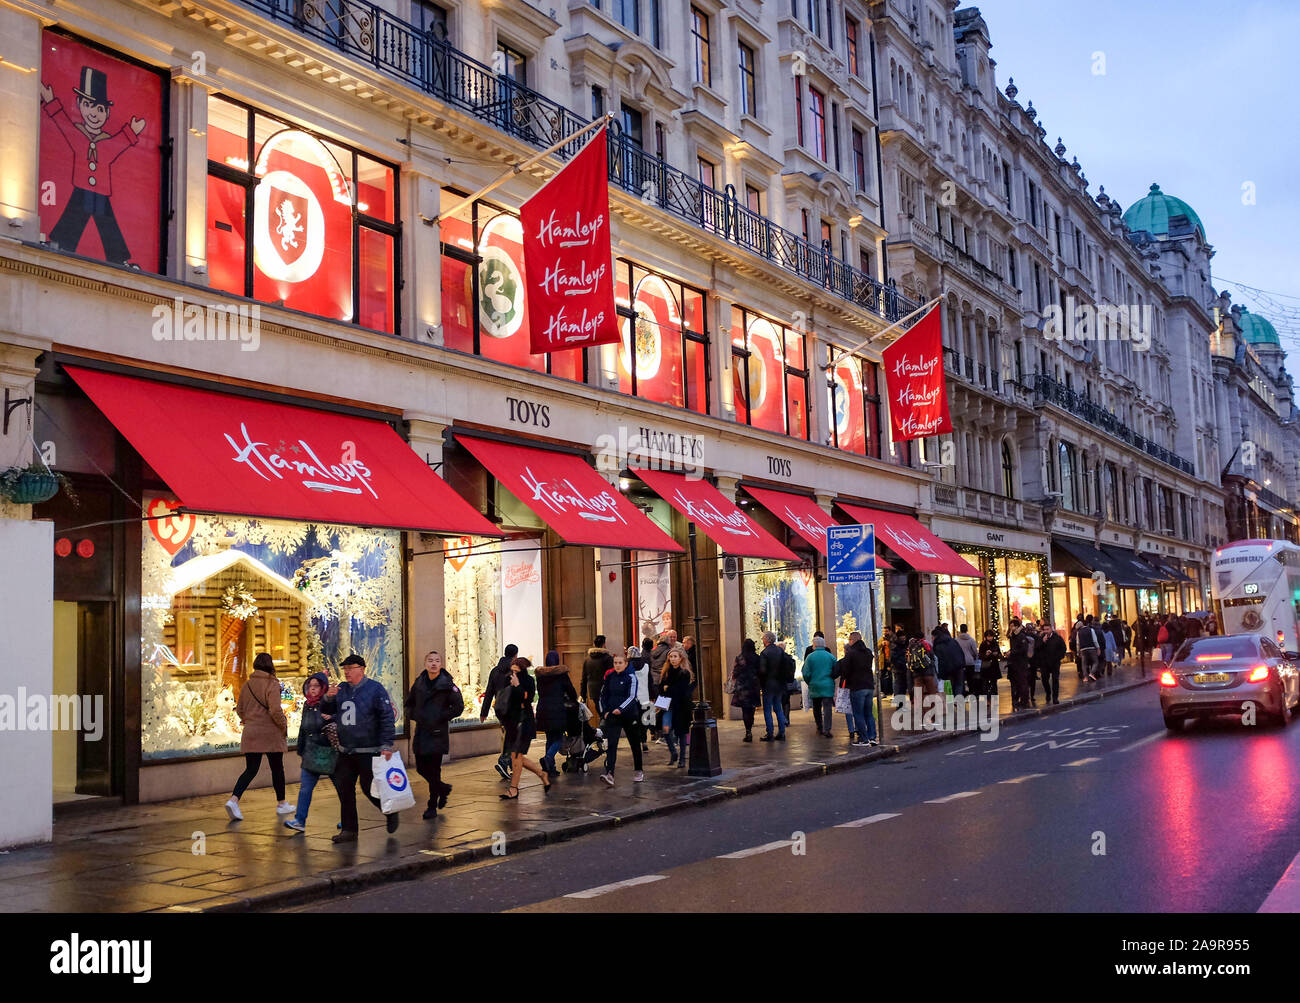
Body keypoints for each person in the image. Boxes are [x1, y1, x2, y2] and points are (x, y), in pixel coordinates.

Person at [322, 654, 399, 842]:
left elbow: (386, 717)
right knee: (344, 788)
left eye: (351, 668)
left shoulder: (375, 689)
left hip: (368, 749)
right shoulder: (341, 690)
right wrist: (327, 698)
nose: (347, 672)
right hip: (346, 750)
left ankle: (388, 811)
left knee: (368, 788)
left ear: (362, 669)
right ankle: (349, 830)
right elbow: (327, 712)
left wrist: (386, 744)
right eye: (345, 669)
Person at [225, 652, 292, 822]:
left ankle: (234, 800)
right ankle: (282, 803)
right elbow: (276, 710)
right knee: (277, 768)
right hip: (270, 733)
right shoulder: (272, 684)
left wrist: (251, 721)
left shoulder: (247, 685)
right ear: (271, 666)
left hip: (251, 732)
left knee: (251, 769)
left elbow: (239, 709)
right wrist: (283, 726)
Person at [406, 651, 462, 820]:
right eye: (430, 660)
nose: (433, 664)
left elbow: (458, 706)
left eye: (437, 661)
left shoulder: (447, 684)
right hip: (422, 731)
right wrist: (415, 715)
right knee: (421, 767)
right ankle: (443, 788)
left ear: (441, 664)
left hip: (437, 732)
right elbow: (409, 704)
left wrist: (441, 716)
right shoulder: (419, 682)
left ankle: (432, 806)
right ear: (425, 663)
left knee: (434, 769)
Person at [284, 671, 331, 832]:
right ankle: (300, 820)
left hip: (327, 751)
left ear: (323, 687)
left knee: (342, 788)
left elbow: (334, 724)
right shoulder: (307, 704)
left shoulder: (329, 703)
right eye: (310, 686)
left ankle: (348, 821)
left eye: (316, 686)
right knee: (305, 787)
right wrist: (301, 748)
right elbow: (303, 727)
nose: (312, 689)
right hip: (311, 751)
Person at [500, 656, 550, 799]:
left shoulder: (528, 681)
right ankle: (542, 774)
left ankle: (514, 789)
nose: (514, 674)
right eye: (512, 670)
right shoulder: (507, 678)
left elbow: (526, 700)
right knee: (517, 757)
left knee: (516, 756)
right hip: (511, 723)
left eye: (517, 671)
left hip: (524, 722)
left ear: (523, 670)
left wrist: (517, 686)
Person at [599, 652, 644, 784]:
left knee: (634, 743)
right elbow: (603, 695)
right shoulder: (610, 677)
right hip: (613, 715)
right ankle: (610, 773)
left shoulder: (631, 677)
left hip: (629, 715)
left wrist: (621, 709)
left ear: (626, 664)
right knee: (612, 744)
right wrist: (605, 712)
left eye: (620, 663)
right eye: (615, 663)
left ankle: (638, 770)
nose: (617, 665)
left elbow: (632, 697)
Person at [479, 643, 519, 782]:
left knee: (508, 735)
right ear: (515, 655)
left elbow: (489, 692)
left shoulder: (495, 671)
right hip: (513, 709)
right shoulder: (515, 671)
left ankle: (509, 763)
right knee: (513, 736)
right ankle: (505, 760)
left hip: (500, 709)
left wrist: (483, 712)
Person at [535, 650, 576, 777]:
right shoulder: (561, 675)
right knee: (558, 737)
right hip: (557, 709)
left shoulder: (540, 676)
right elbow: (571, 692)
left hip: (543, 709)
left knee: (549, 738)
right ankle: (548, 758)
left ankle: (550, 768)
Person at [833, 630, 877, 747]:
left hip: (857, 686)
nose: (849, 642)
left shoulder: (851, 653)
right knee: (869, 713)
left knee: (858, 714)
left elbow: (846, 670)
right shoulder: (868, 652)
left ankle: (863, 739)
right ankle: (872, 737)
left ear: (852, 640)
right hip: (869, 685)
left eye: (849, 640)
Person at [660, 645, 696, 766]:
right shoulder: (666, 672)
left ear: (680, 658)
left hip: (681, 706)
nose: (673, 659)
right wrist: (666, 689)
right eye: (671, 657)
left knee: (681, 733)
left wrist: (668, 688)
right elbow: (661, 687)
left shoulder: (684, 673)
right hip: (668, 705)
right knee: (665, 729)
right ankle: (673, 752)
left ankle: (682, 759)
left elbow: (679, 690)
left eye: (675, 656)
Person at [801, 635, 837, 737]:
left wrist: (809, 682)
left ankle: (819, 727)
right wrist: (831, 679)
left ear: (814, 645)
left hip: (815, 685)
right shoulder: (830, 656)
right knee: (827, 709)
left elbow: (806, 673)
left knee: (816, 708)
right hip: (827, 685)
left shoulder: (810, 657)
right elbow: (836, 669)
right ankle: (827, 729)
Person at [757, 631, 789, 741]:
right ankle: (782, 732)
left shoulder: (764, 653)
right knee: (778, 708)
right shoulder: (780, 651)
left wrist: (761, 683)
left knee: (767, 709)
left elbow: (762, 671)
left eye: (763, 638)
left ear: (766, 640)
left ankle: (769, 732)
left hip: (768, 684)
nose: (762, 640)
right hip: (779, 683)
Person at [730, 638, 762, 741]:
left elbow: (735, 672)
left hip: (743, 686)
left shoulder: (740, 658)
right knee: (751, 709)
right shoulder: (757, 658)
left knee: (745, 709)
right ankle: (750, 726)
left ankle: (748, 731)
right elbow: (761, 671)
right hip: (754, 685)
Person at [581, 635, 614, 715]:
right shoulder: (608, 658)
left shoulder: (587, 660)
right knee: (607, 714)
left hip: (593, 691)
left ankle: (602, 725)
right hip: (606, 691)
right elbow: (611, 676)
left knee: (601, 712)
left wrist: (583, 695)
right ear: (603, 644)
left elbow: (584, 679)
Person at [628, 644, 653, 752]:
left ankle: (636, 742)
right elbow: (650, 683)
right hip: (644, 696)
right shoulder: (646, 666)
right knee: (644, 720)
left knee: (633, 720)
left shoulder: (627, 666)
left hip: (632, 698)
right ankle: (644, 741)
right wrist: (652, 696)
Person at [1006, 619, 1034, 710]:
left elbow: (1022, 649)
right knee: (1017, 682)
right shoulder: (1013, 636)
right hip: (1015, 662)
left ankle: (1024, 701)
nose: (1011, 628)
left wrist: (1012, 652)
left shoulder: (1021, 636)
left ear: (1017, 626)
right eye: (1010, 626)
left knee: (1022, 682)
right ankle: (1018, 700)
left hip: (1021, 663)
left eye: (1013, 626)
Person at [931, 625, 965, 698]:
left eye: (932, 637)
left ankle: (950, 702)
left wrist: (941, 674)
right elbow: (961, 652)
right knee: (959, 684)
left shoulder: (938, 646)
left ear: (935, 636)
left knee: (948, 685)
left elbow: (940, 661)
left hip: (948, 668)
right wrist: (962, 663)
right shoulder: (953, 640)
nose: (932, 639)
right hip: (959, 665)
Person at [1038, 625, 1066, 705]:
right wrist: (1042, 642)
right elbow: (1037, 649)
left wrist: (1059, 657)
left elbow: (1063, 648)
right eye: (1044, 629)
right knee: (1044, 679)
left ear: (1051, 629)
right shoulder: (1041, 638)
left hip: (1055, 662)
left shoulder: (1057, 638)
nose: (1046, 631)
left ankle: (1055, 697)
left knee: (1055, 680)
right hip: (1044, 663)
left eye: (1048, 629)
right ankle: (1048, 693)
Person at [906, 635, 938, 701]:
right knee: (932, 692)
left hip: (917, 673)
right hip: (928, 673)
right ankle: (933, 708)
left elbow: (909, 662)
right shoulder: (926, 644)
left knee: (919, 695)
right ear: (923, 637)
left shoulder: (911, 646)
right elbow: (933, 657)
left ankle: (919, 710)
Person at [1074, 616, 1103, 682]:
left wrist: (1078, 652)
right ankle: (1092, 673)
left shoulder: (1079, 633)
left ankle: (1085, 677)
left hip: (1083, 649)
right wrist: (1098, 648)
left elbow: (1078, 643)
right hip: (1091, 648)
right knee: (1095, 661)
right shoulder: (1091, 630)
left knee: (1084, 663)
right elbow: (1095, 640)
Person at [977, 630, 1003, 699]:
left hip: (994, 666)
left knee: (994, 682)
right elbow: (980, 655)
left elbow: (1000, 654)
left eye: (991, 636)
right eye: (988, 636)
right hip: (986, 666)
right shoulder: (983, 644)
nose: (990, 638)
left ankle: (994, 695)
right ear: (986, 637)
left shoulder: (995, 643)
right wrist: (986, 654)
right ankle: (987, 696)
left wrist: (997, 654)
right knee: (985, 682)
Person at [955, 624, 979, 695]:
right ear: (967, 630)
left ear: (960, 630)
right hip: (970, 662)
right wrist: (974, 657)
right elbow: (975, 651)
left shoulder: (956, 640)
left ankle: (962, 694)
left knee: (960, 680)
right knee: (970, 679)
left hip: (960, 662)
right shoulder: (971, 640)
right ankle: (972, 693)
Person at [890, 625, 910, 707]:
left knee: (903, 687)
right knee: (899, 687)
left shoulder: (903, 645)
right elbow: (893, 658)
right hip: (898, 669)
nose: (904, 639)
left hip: (903, 669)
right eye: (902, 638)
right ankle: (899, 705)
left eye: (904, 638)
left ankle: (902, 704)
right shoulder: (895, 646)